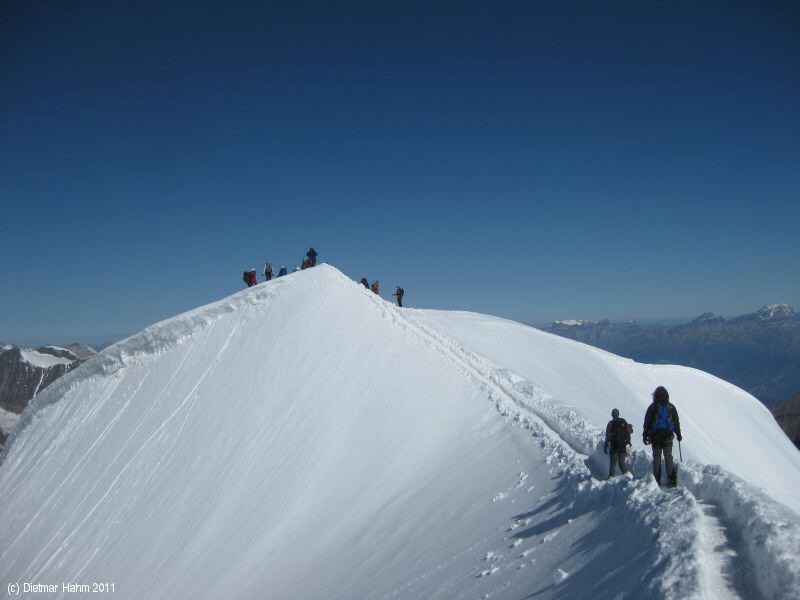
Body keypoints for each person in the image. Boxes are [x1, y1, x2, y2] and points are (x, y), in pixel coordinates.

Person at [643, 386, 682, 487]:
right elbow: (676, 422)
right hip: (668, 436)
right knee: (668, 457)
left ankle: (656, 480)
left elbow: (647, 422)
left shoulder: (653, 407)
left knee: (657, 458)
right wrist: (678, 434)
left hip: (656, 437)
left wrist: (645, 435)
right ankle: (671, 479)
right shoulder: (671, 407)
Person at [604, 408, 631, 478]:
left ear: (612, 415)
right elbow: (628, 433)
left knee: (613, 464)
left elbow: (607, 436)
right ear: (618, 414)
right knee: (621, 463)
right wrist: (628, 445)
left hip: (614, 447)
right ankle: (629, 477)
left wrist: (605, 446)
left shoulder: (610, 423)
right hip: (623, 446)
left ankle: (611, 478)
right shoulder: (623, 422)